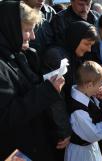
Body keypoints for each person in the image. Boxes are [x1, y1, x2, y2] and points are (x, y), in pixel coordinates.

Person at [0, 1, 65, 160]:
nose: (33, 36)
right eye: (27, 30)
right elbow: (7, 116)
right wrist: (48, 90)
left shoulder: (17, 55)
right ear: (10, 29)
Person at [64, 61, 102, 161]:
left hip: (90, 148)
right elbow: (93, 134)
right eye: (100, 84)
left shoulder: (85, 95)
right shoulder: (78, 110)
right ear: (89, 85)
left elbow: (94, 114)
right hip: (81, 153)